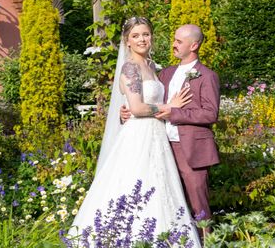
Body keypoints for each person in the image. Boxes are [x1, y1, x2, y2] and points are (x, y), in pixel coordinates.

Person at [68, 17, 201, 247]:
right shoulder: (130, 67)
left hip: (157, 137)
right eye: (136, 35)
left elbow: (137, 104)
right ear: (127, 41)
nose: (142, 39)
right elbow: (138, 108)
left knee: (161, 188)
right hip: (138, 138)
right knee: (136, 185)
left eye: (146, 34)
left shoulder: (151, 66)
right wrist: (169, 107)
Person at [121, 23, 220, 224]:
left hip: (190, 148)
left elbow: (210, 114)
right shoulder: (164, 73)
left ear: (193, 46)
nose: (173, 44)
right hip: (158, 146)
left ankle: (206, 242)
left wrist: (175, 113)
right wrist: (125, 111)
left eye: (178, 41)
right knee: (169, 202)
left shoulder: (207, 76)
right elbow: (146, 99)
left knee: (198, 204)